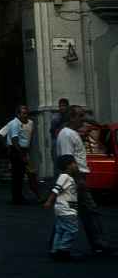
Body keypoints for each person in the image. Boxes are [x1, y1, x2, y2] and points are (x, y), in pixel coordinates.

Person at [56, 106, 111, 254]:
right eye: (80, 116)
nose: (83, 119)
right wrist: (78, 180)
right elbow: (68, 159)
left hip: (76, 177)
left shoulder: (70, 133)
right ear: (72, 118)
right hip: (75, 178)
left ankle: (58, 246)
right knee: (89, 211)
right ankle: (99, 242)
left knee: (71, 213)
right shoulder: (67, 134)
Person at [44, 154, 81, 262]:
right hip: (66, 210)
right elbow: (56, 189)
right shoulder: (64, 177)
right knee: (72, 229)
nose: (76, 165)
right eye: (74, 163)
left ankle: (55, 250)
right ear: (68, 165)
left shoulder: (68, 177)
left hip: (62, 209)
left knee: (60, 230)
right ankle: (63, 250)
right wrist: (49, 201)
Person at [2, 105, 39, 204]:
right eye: (23, 113)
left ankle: (21, 195)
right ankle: (17, 198)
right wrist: (19, 153)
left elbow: (30, 136)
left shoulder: (30, 123)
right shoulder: (14, 124)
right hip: (16, 150)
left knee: (23, 174)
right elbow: (14, 140)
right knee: (17, 175)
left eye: (27, 113)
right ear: (18, 114)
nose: (25, 115)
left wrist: (28, 151)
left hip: (24, 149)